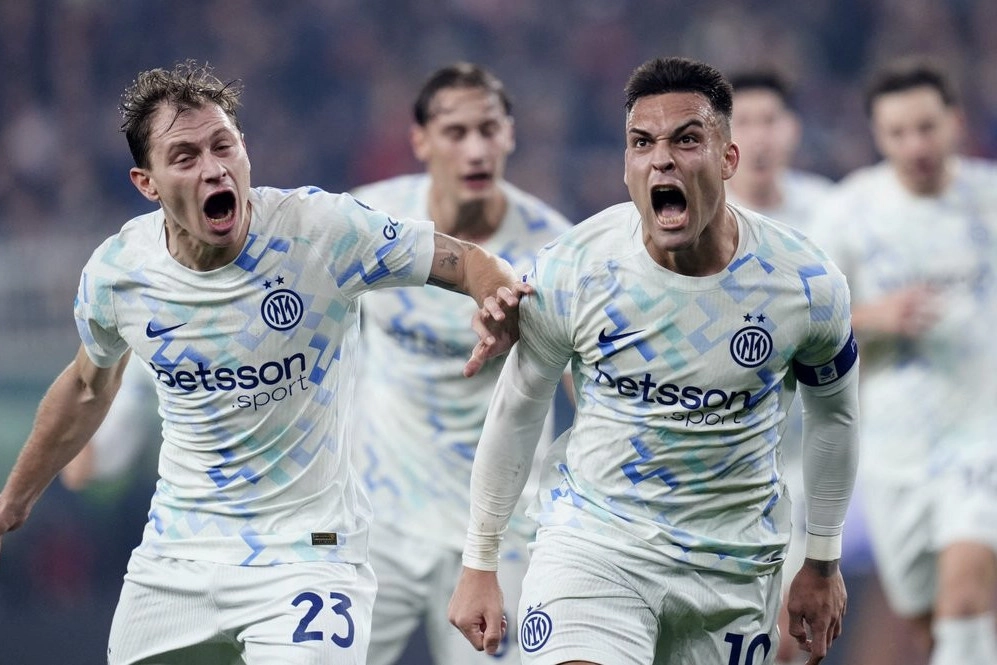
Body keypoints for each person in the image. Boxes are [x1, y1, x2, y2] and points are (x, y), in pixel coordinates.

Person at [0, 59, 530, 665]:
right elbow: (87, 388)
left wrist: (495, 298)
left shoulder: (321, 231)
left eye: (223, 145)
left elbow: (464, 260)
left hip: (310, 551)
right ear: (147, 183)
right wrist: (13, 501)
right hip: (178, 554)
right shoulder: (119, 273)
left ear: (244, 149)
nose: (213, 167)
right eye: (185, 156)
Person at [448, 55, 861, 665]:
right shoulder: (576, 268)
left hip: (731, 567)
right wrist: (480, 559)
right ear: (627, 166)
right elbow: (518, 408)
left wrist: (822, 559)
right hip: (597, 546)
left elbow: (835, 415)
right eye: (643, 143)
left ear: (728, 158)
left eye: (687, 140)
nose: (661, 159)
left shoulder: (805, 283)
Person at [349, 62, 573, 665]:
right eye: (455, 132)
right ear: (421, 140)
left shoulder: (553, 252)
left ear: (510, 135)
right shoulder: (373, 226)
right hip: (377, 522)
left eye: (488, 129)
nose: (475, 149)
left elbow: (592, 397)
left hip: (496, 535)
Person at [808, 57, 997, 665]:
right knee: (931, 624)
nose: (916, 145)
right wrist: (872, 317)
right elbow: (805, 323)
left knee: (965, 598)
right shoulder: (849, 212)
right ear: (878, 136)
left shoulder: (989, 199)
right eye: (899, 132)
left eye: (927, 127)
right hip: (894, 450)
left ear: (955, 123)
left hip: (982, 436)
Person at [725, 69, 836, 665]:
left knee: (792, 636)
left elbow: (859, 311)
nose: (759, 136)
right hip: (727, 458)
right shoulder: (699, 221)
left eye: (770, 120)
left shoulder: (834, 213)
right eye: (744, 122)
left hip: (807, 458)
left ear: (793, 128)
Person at [59, 353, 159, 490]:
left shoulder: (72, 428)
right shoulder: (112, 464)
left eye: (71, 463)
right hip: (145, 386)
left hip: (118, 365)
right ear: (86, 474)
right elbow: (133, 419)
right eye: (77, 467)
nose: (75, 458)